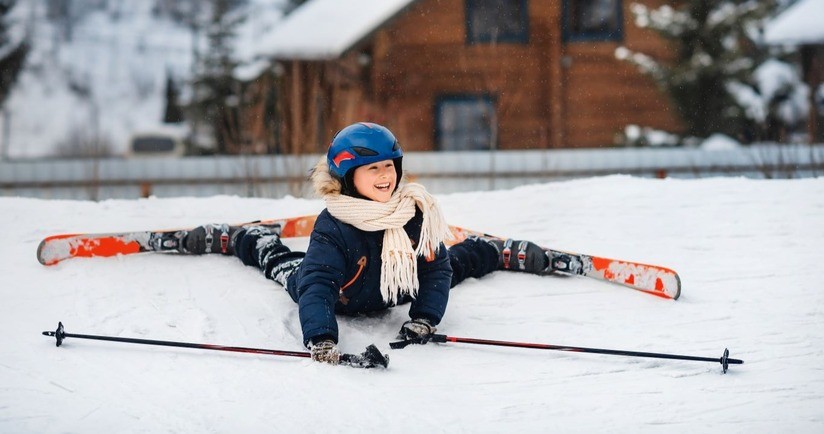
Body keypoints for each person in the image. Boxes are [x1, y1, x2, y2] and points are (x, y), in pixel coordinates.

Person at [179, 122, 555, 365]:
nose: (384, 175)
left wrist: (424, 318)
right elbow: (318, 286)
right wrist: (322, 338)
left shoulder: (414, 214)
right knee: (288, 269)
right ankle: (249, 238)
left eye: (389, 166)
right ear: (347, 176)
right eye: (373, 168)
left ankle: (495, 251)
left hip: (397, 284)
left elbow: (436, 269)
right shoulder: (333, 227)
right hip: (342, 294)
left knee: (452, 265)